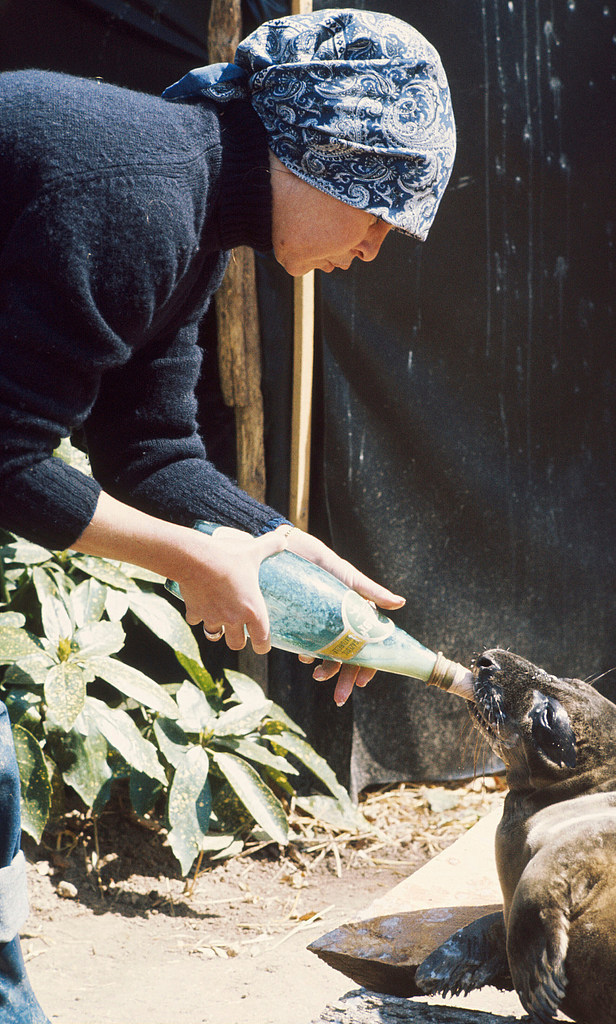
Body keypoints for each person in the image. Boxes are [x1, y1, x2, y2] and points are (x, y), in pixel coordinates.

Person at [0, 9, 455, 1020]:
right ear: (319, 156)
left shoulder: (190, 208)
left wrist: (273, 539)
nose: (374, 246)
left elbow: (150, 448)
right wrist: (184, 559)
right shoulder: (134, 195)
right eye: (377, 211)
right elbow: (7, 459)